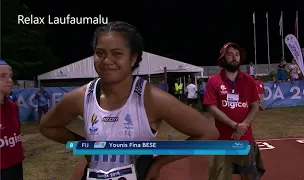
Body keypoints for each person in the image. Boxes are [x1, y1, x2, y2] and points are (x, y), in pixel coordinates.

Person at [38, 21, 219, 180]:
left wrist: (160, 163)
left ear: (133, 58)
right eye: (100, 53)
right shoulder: (80, 97)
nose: (107, 60)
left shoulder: (151, 99)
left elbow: (208, 133)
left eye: (117, 54)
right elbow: (47, 126)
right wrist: (86, 147)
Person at [204, 43, 265, 180]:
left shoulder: (249, 80)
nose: (234, 57)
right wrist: (234, 126)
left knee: (248, 175)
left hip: (245, 138)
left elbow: (255, 106)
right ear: (223, 58)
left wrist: (242, 127)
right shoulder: (213, 81)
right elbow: (211, 108)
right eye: (229, 54)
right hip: (222, 139)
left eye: (237, 54)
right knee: (220, 175)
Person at [0, 60, 24, 180]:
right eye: (2, 76)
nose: (9, 80)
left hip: (16, 164)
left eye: (10, 76)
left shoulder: (13, 106)